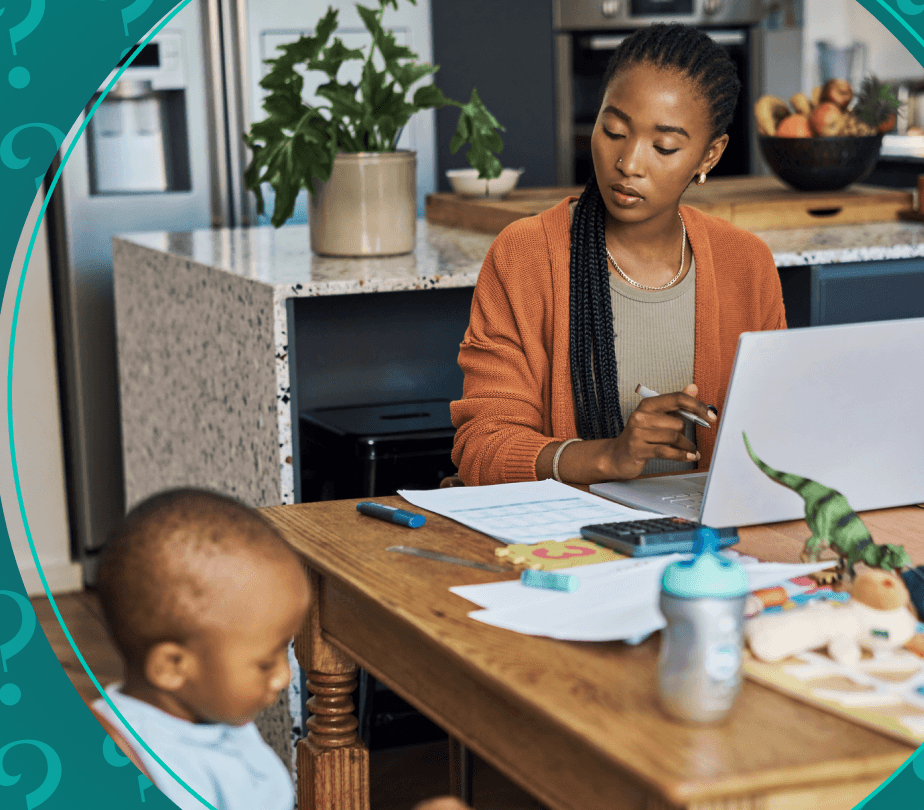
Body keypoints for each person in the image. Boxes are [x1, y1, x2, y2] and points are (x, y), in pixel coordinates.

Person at [451, 23, 786, 488]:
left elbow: (775, 437)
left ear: (709, 157)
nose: (628, 163)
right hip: (566, 544)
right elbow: (483, 447)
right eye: (613, 130)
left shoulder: (745, 263)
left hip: (708, 545)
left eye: (663, 146)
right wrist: (609, 457)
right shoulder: (526, 256)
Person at [88, 488, 474, 810]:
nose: (284, 675)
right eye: (264, 662)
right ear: (172, 666)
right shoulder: (138, 769)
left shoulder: (205, 711)